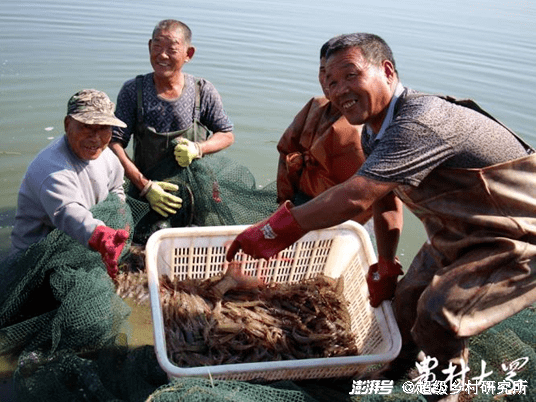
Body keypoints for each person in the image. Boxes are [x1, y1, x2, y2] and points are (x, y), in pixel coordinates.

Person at [226, 33, 536, 401]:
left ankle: (450, 395)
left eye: (350, 75)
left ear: (387, 71)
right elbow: (385, 200)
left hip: (519, 240)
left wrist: (271, 233)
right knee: (404, 304)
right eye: (329, 81)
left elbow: (356, 197)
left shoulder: (420, 122)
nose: (339, 90)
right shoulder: (376, 133)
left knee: (440, 317)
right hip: (460, 234)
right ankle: (400, 367)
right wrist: (386, 264)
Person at [110, 19, 234, 218]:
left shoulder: (202, 91)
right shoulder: (133, 91)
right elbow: (114, 144)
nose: (162, 55)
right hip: (148, 193)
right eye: (157, 46)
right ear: (149, 46)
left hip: (197, 191)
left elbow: (226, 134)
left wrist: (199, 148)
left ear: (188, 54)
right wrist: (145, 187)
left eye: (172, 49)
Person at [11, 89, 130, 279]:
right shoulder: (50, 167)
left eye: (103, 127)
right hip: (39, 257)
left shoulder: (107, 156)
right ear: (68, 124)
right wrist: (102, 237)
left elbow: (116, 188)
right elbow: (67, 211)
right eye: (86, 127)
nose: (95, 138)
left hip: (83, 241)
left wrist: (121, 218)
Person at [276, 39, 367, 222]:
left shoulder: (362, 128)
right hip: (300, 201)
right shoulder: (315, 106)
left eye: (346, 75)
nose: (327, 80)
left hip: (344, 218)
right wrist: (284, 203)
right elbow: (285, 151)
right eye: (323, 71)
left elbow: (365, 197)